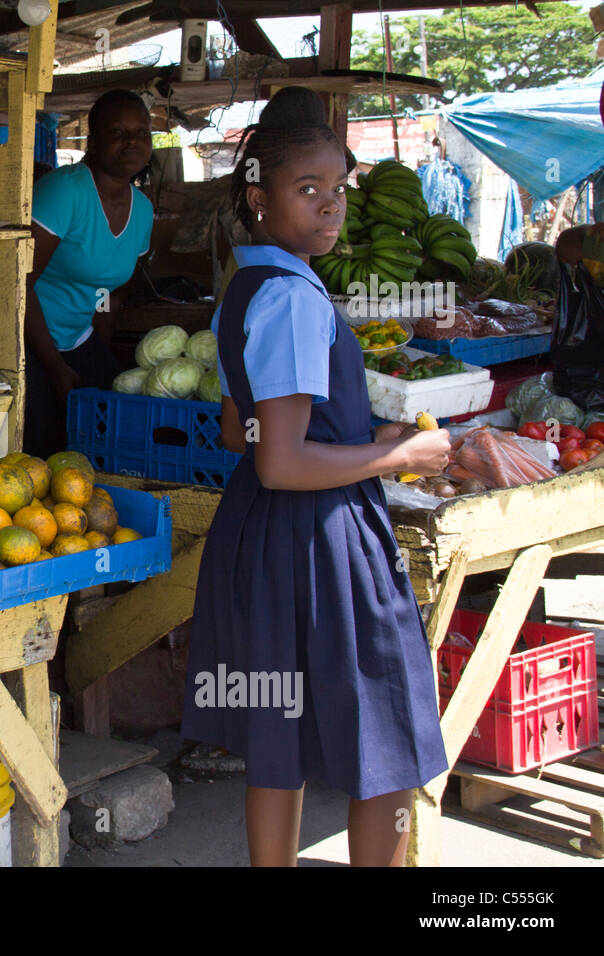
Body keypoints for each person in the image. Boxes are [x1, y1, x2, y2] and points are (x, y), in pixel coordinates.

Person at [179, 87, 454, 867]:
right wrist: (400, 456)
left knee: (278, 731)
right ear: (260, 198)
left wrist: (358, 433)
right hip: (324, 541)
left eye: (338, 191)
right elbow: (282, 457)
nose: (330, 208)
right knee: (387, 732)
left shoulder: (245, 287)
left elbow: (244, 429)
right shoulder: (299, 299)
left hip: (262, 539)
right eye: (309, 192)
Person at [3, 89, 154, 457]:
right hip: (11, 329)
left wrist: (97, 351)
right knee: (39, 437)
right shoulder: (65, 190)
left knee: (112, 410)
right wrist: (55, 366)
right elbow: (17, 281)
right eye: (118, 132)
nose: (131, 141)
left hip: (74, 336)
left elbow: (110, 295)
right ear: (93, 140)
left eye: (141, 132)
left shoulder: (144, 211)